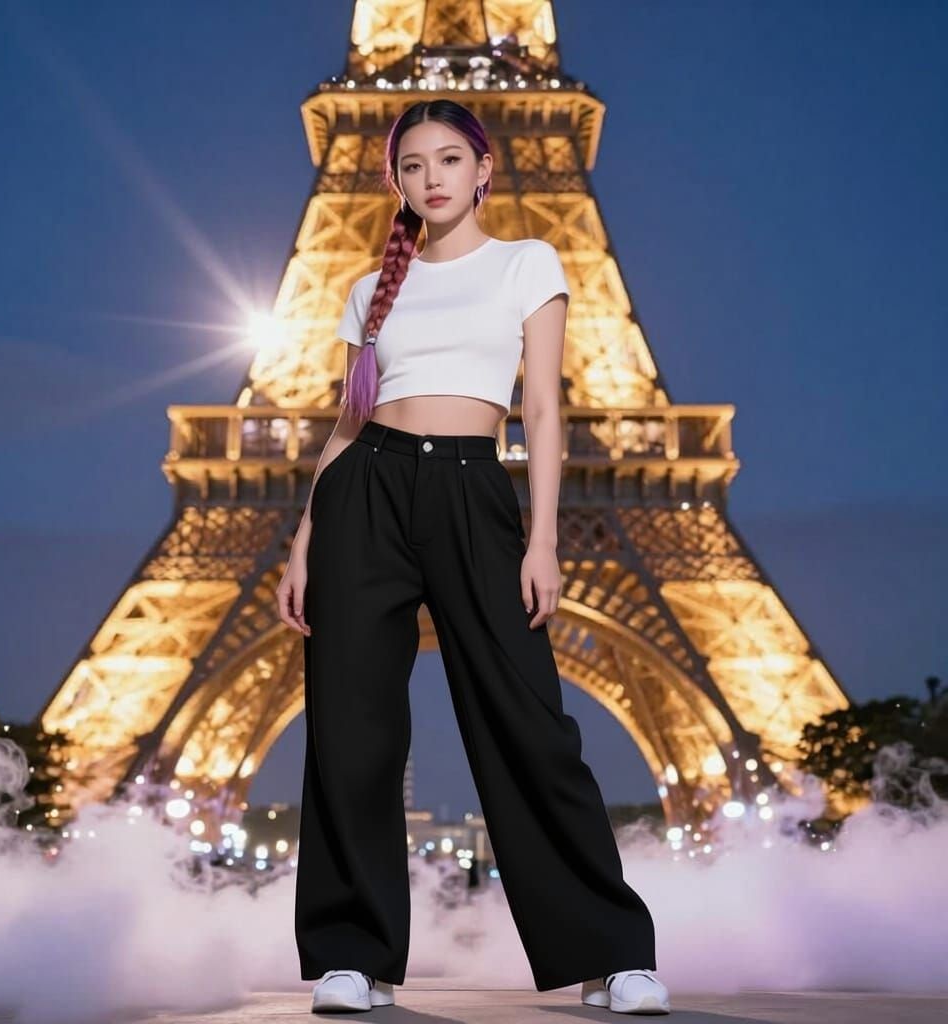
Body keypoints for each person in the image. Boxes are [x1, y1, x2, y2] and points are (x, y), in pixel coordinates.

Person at [276, 99, 671, 1016]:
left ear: (485, 168)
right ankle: (351, 954)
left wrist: (541, 540)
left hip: (472, 488)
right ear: (395, 181)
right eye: (412, 166)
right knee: (349, 729)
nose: (433, 179)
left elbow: (540, 410)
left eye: (450, 159)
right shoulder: (369, 287)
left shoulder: (528, 263)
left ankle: (612, 952)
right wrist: (304, 541)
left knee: (530, 725)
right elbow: (345, 426)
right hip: (364, 492)